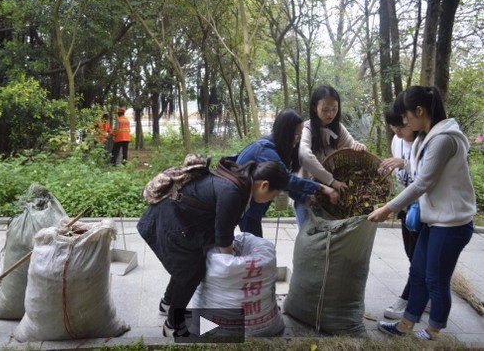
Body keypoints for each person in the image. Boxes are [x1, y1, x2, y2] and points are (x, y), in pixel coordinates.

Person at [368, 85, 476, 340]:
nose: (403, 122)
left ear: (420, 111)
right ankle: (405, 325)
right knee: (418, 272)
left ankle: (433, 331)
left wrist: (388, 208)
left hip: (452, 225)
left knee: (436, 279)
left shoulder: (444, 139)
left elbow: (422, 183)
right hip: (435, 220)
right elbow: (418, 173)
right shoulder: (425, 138)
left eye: (405, 117)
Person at [137, 159, 290, 337]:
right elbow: (223, 235)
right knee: (192, 271)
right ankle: (172, 324)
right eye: (274, 195)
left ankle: (167, 304)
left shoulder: (239, 180)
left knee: (185, 267)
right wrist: (230, 266)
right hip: (171, 221)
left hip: (178, 218)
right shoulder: (233, 191)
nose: (270, 201)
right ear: (264, 185)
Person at [235, 109, 339, 237]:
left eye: (300, 134)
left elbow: (283, 182)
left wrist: (304, 199)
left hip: (252, 208)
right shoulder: (265, 151)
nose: (298, 139)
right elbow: (287, 179)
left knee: (255, 246)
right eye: (295, 134)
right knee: (253, 248)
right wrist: (322, 188)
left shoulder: (277, 148)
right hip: (245, 208)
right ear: (285, 132)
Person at [295, 84, 366, 226]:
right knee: (308, 238)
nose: (330, 114)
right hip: (307, 193)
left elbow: (352, 146)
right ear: (315, 108)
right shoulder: (307, 128)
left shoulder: (338, 128)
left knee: (328, 239)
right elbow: (304, 155)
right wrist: (331, 181)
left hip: (330, 196)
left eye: (334, 109)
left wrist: (360, 146)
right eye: (325, 109)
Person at [380, 106, 427, 320]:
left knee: (419, 257)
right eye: (393, 128)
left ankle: (408, 298)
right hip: (405, 206)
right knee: (412, 254)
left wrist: (405, 164)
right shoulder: (397, 141)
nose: (397, 132)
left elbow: (424, 177)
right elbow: (399, 175)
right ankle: (423, 293)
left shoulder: (424, 142)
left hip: (422, 208)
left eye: (400, 127)